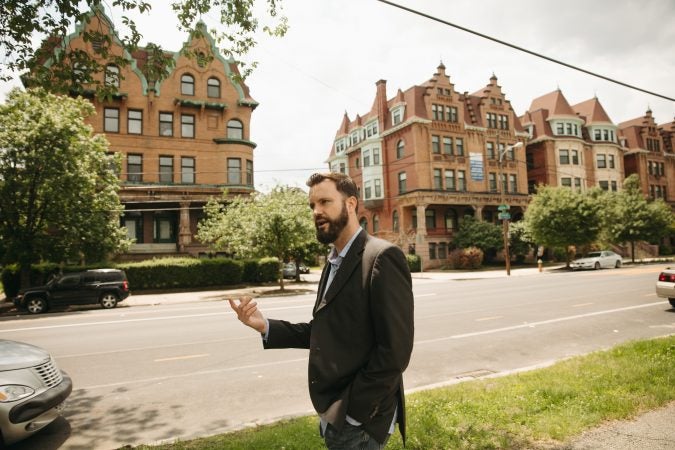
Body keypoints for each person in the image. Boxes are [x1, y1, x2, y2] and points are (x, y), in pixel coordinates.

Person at [229, 172, 414, 449]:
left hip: (359, 420)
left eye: (325, 202)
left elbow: (395, 352)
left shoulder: (381, 257)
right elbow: (327, 331)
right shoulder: (333, 261)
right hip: (335, 411)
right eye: (312, 205)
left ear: (351, 204)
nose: (317, 211)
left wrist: (353, 412)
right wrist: (264, 325)